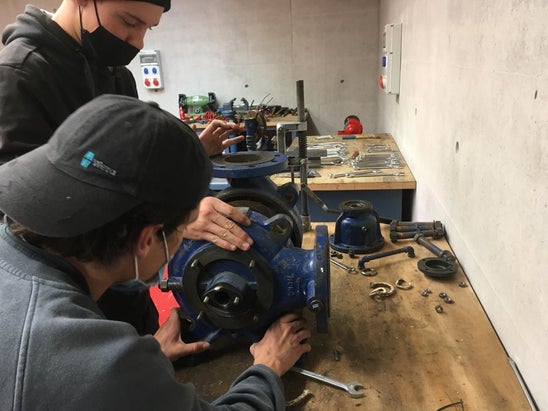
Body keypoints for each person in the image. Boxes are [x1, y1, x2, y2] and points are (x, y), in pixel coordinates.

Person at [0, 94, 312, 410]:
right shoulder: (97, 366)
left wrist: (142, 369)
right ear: (147, 239)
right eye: (188, 229)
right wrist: (267, 367)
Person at [0, 0, 253, 335]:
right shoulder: (19, 74)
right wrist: (173, 219)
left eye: (148, 28)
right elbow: (20, 216)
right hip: (65, 314)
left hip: (125, 293)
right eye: (130, 22)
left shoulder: (116, 74)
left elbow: (129, 166)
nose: (138, 41)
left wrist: (187, 161)